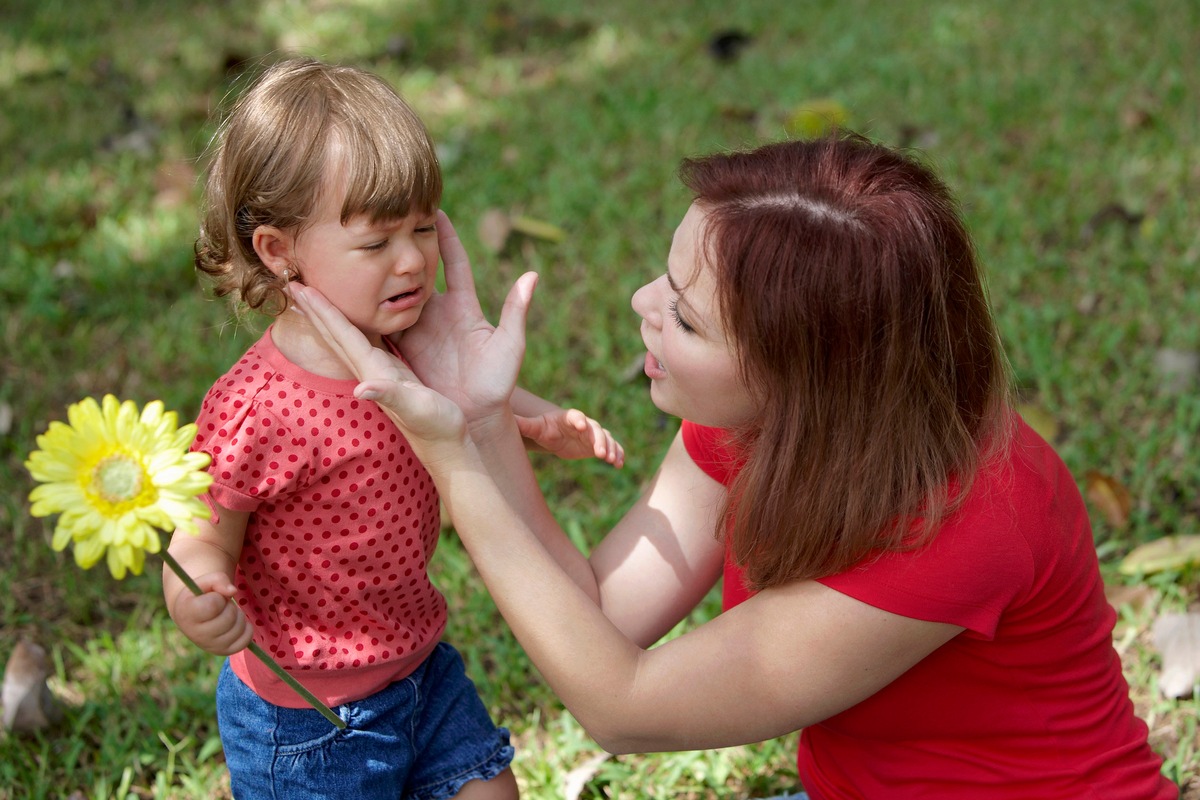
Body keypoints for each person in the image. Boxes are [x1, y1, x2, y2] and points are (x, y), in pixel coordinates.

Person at [290, 132, 1178, 799]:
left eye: (684, 317)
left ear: (807, 374)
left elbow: (623, 708)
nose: (642, 306)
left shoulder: (967, 518)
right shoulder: (767, 421)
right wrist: (480, 422)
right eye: (665, 282)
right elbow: (602, 616)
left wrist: (456, 460)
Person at [163, 57, 622, 800]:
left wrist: (540, 420)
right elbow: (203, 531)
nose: (411, 261)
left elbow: (467, 395)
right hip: (307, 716)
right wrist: (196, 592)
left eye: (420, 230)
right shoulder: (258, 405)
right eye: (376, 244)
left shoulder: (401, 339)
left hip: (420, 664)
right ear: (279, 251)